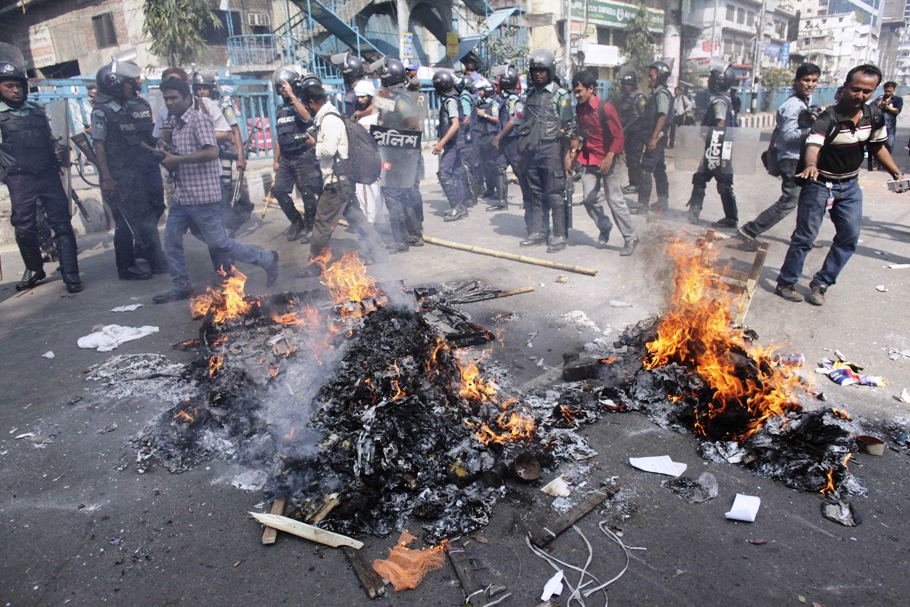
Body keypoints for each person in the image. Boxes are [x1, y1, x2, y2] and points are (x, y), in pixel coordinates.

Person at [775, 65, 905, 306]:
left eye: (867, 91)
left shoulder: (874, 116)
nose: (860, 95)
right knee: (805, 237)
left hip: (850, 187)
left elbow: (877, 147)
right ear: (845, 87)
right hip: (819, 183)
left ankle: (822, 282)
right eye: (855, 89)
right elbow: (813, 145)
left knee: (849, 236)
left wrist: (896, 172)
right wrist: (811, 164)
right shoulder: (828, 117)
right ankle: (786, 281)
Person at [154, 78, 278, 303]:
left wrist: (178, 160)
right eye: (166, 98)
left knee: (220, 243)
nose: (169, 103)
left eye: (173, 98)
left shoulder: (199, 120)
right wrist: (164, 146)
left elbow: (211, 152)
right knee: (171, 240)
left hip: (203, 196)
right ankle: (181, 285)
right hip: (183, 196)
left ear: (186, 98)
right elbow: (171, 147)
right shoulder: (174, 122)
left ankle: (266, 259)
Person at [0, 61, 82, 293]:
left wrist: (59, 157)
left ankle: (71, 275)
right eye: (9, 86)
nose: (15, 91)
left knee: (62, 224)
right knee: (24, 227)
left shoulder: (36, 111)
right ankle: (35, 269)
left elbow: (49, 140)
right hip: (19, 178)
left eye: (18, 86)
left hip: (47, 175)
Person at [293, 82, 385, 274]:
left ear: (311, 102)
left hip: (337, 182)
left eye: (306, 104)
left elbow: (329, 149)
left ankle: (316, 265)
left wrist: (313, 143)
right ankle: (378, 252)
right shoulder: (329, 117)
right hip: (343, 180)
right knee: (357, 219)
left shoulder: (329, 120)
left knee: (322, 223)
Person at [93, 60, 168, 280]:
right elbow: (99, 146)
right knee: (125, 222)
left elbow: (134, 141)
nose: (131, 86)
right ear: (114, 84)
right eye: (126, 83)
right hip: (116, 175)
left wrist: (155, 151)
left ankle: (156, 261)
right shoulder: (101, 112)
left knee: (145, 216)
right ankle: (125, 267)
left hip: (134, 172)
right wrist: (107, 177)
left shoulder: (125, 109)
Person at [738, 63, 821, 252]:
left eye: (814, 81)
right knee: (789, 200)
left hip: (799, 157)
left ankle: (803, 236)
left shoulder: (803, 102)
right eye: (806, 80)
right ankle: (750, 230)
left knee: (809, 198)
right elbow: (788, 135)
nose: (810, 84)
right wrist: (814, 129)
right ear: (797, 81)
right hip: (792, 159)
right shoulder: (792, 105)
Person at [570, 70, 638, 256]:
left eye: (579, 91)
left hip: (611, 160)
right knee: (588, 199)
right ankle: (604, 226)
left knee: (614, 199)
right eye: (575, 92)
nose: (576, 96)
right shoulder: (580, 109)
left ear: (591, 89)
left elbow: (618, 137)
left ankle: (630, 237)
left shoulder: (606, 108)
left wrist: (609, 157)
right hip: (591, 160)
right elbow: (579, 134)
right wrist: (574, 153)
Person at [514, 49, 576, 253]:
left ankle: (558, 235)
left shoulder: (560, 95)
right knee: (535, 193)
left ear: (550, 70)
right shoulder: (529, 95)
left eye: (542, 70)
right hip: (531, 149)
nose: (538, 74)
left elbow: (569, 127)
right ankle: (539, 231)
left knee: (555, 193)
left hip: (552, 149)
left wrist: (567, 156)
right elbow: (520, 122)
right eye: (534, 70)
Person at [373, 58, 425, 252]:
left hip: (401, 155)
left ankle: (400, 240)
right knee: (406, 193)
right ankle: (414, 234)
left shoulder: (399, 99)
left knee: (392, 193)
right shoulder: (394, 96)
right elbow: (380, 116)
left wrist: (406, 154)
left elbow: (412, 124)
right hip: (398, 154)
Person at [192, 71, 250, 232]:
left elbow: (235, 132)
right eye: (199, 88)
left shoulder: (224, 106)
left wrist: (241, 157)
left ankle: (231, 220)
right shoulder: (193, 107)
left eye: (205, 88)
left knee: (224, 188)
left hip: (223, 153)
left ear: (212, 89)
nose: (202, 92)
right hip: (205, 155)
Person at [270, 66, 322, 243]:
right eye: (279, 87)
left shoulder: (299, 103)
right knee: (278, 191)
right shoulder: (280, 109)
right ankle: (296, 222)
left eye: (285, 86)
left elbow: (307, 118)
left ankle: (310, 227)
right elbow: (280, 137)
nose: (282, 90)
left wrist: (293, 96)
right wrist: (276, 161)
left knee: (307, 193)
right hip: (286, 158)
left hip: (303, 156)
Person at [685, 64, 738, 226]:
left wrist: (714, 150)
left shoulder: (719, 102)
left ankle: (727, 218)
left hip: (717, 146)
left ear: (718, 81)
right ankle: (729, 217)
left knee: (709, 179)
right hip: (722, 147)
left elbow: (720, 125)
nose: (708, 80)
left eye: (711, 78)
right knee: (717, 180)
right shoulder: (727, 99)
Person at [633, 61, 672, 214]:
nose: (649, 79)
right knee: (659, 169)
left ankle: (643, 205)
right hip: (657, 138)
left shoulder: (661, 94)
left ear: (660, 77)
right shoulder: (656, 93)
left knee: (646, 168)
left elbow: (662, 116)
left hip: (657, 138)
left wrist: (654, 138)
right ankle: (663, 202)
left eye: (652, 76)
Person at [489, 64, 528, 213]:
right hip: (504, 139)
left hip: (511, 140)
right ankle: (501, 201)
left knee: (518, 170)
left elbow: (512, 121)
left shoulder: (513, 99)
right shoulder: (505, 98)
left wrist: (498, 137)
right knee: (499, 168)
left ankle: (527, 199)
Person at [432, 69, 469, 222]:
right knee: (456, 172)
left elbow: (454, 125)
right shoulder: (451, 99)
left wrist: (441, 142)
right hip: (455, 142)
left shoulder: (450, 101)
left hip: (452, 143)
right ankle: (462, 205)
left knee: (443, 172)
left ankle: (457, 206)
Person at [351, 79, 383, 225]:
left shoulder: (378, 111)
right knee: (362, 193)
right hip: (360, 159)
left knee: (375, 192)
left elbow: (383, 104)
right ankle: (369, 224)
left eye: (363, 96)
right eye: (359, 97)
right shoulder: (356, 115)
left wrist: (362, 114)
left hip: (375, 157)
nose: (360, 99)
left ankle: (373, 224)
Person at [615, 73, 647, 195]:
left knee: (634, 159)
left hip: (636, 134)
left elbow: (643, 117)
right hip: (627, 133)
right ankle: (634, 182)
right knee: (629, 159)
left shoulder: (639, 99)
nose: (627, 87)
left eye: (629, 85)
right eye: (625, 85)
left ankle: (637, 183)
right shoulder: (624, 99)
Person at [474, 79, 499, 200]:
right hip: (480, 136)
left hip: (490, 136)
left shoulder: (493, 103)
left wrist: (484, 115)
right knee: (484, 165)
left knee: (492, 164)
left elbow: (497, 119)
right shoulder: (478, 102)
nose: (479, 92)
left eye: (481, 90)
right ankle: (489, 189)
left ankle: (498, 190)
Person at [869, 81, 902, 170]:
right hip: (879, 127)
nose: (887, 93)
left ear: (894, 90)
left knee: (889, 145)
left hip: (890, 127)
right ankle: (876, 164)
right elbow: (870, 108)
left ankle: (885, 162)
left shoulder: (897, 100)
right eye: (886, 91)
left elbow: (897, 111)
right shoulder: (879, 99)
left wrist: (887, 107)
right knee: (878, 146)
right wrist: (878, 105)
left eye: (889, 91)